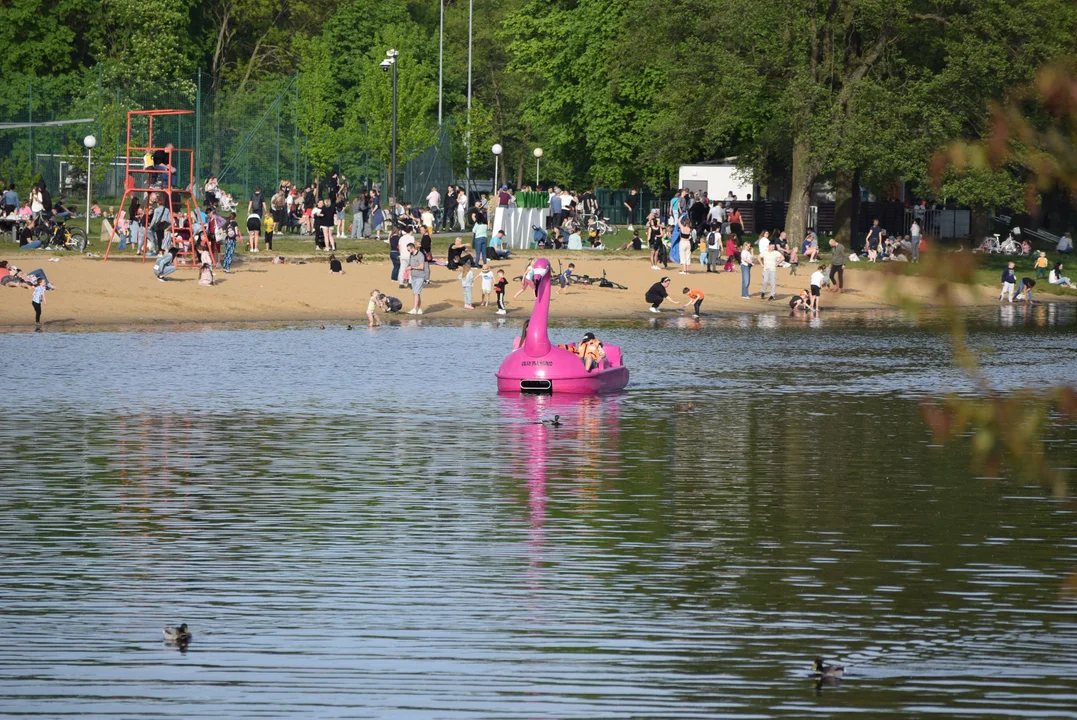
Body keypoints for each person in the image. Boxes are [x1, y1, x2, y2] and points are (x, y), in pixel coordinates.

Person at [406, 242, 429, 314]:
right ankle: (419, 309)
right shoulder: (411, 255)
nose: (408, 251)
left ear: (412, 248)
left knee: (416, 293)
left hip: (420, 276)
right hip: (413, 276)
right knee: (416, 293)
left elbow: (422, 267)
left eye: (409, 250)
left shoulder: (420, 255)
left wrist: (412, 267)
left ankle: (414, 309)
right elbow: (410, 264)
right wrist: (407, 268)